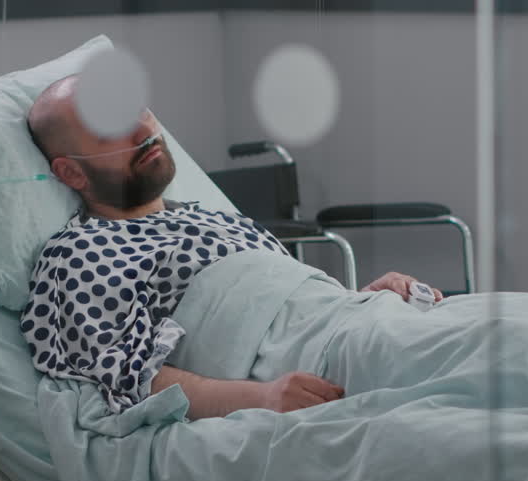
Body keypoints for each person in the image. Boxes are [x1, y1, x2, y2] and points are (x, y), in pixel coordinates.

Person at [22, 74, 440, 419]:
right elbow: (117, 375)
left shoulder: (219, 219)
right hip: (320, 362)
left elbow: (294, 308)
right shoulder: (80, 252)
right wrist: (260, 398)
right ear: (72, 173)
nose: (142, 131)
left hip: (358, 325)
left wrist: (364, 297)